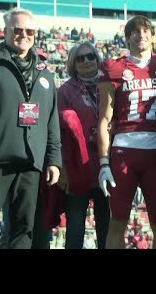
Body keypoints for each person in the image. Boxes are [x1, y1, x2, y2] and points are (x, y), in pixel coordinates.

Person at [0, 8, 61, 249]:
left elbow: (51, 120)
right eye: (17, 30)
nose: (23, 35)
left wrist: (54, 160)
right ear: (5, 32)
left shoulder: (44, 73)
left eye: (29, 31)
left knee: (23, 229)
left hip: (31, 163)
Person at [97, 15, 156, 249]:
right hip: (124, 149)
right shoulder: (114, 67)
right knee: (117, 221)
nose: (140, 35)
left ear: (152, 35)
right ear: (127, 36)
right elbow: (104, 119)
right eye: (135, 31)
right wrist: (103, 163)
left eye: (145, 31)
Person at [56, 41, 110, 249]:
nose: (87, 61)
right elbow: (57, 133)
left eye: (91, 57)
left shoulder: (109, 86)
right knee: (75, 229)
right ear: (73, 64)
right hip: (77, 166)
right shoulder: (65, 92)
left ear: (98, 60)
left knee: (107, 227)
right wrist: (62, 168)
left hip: (106, 165)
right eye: (81, 58)